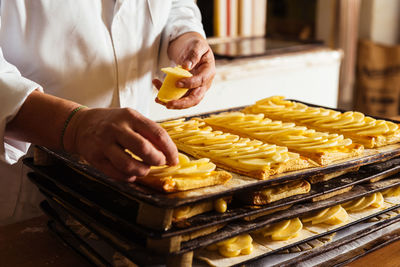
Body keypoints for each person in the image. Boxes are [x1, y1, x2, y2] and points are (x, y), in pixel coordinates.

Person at [0, 1, 215, 225]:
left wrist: (185, 37)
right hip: (28, 193)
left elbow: (175, 5)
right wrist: (75, 127)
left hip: (135, 185)